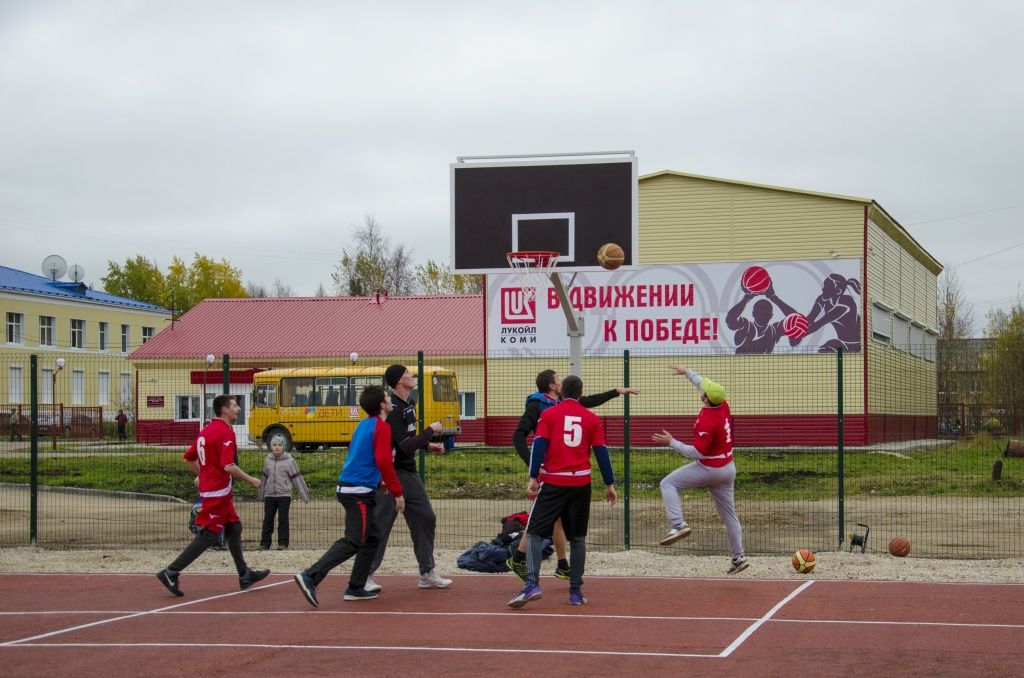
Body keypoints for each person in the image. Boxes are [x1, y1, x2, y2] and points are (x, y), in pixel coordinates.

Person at [508, 369, 637, 580]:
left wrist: (617, 391)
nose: (561, 381)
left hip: (562, 470)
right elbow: (518, 436)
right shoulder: (537, 405)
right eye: (558, 379)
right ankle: (521, 558)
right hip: (546, 470)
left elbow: (587, 401)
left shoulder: (561, 404)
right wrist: (533, 464)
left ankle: (561, 564)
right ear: (552, 385)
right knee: (539, 518)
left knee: (555, 518)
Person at [294, 385, 404, 606]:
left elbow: (362, 457)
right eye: (387, 397)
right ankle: (311, 576)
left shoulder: (363, 425)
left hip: (355, 487)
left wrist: (378, 482)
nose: (391, 399)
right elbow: (383, 461)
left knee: (372, 537)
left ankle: (356, 586)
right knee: (354, 540)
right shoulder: (381, 427)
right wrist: (397, 492)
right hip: (357, 493)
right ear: (382, 405)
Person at [156, 394, 269, 596]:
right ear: (225, 410)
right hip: (218, 491)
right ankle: (171, 571)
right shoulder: (225, 432)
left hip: (215, 490)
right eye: (235, 405)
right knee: (210, 534)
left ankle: (244, 574)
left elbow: (188, 459)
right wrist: (252, 480)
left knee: (234, 527)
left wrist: (204, 474)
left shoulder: (206, 430)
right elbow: (228, 466)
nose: (238, 409)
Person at [651, 365, 748, 575]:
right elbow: (700, 382)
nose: (701, 389)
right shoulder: (722, 404)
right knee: (730, 515)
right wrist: (687, 372)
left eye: (703, 391)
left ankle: (678, 524)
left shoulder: (707, 421)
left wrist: (672, 442)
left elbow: (697, 452)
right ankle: (738, 557)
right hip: (728, 468)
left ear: (705, 399)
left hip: (710, 468)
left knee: (668, 483)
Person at [364, 364, 452, 592]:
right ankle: (365, 574)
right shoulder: (392, 409)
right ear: (398, 381)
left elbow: (405, 441)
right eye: (408, 374)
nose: (412, 376)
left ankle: (426, 573)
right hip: (390, 475)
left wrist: (427, 445)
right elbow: (403, 446)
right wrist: (431, 431)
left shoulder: (408, 405)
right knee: (381, 526)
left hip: (408, 474)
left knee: (426, 518)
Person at [258, 434, 310, 551]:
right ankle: (265, 544)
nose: (277, 447)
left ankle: (283, 544)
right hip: (269, 495)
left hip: (284, 495)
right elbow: (264, 478)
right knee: (268, 520)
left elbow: (298, 479)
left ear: (284, 446)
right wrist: (261, 494)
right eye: (274, 445)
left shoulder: (290, 461)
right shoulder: (267, 460)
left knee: (283, 520)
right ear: (271, 446)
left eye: (280, 445)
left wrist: (304, 495)